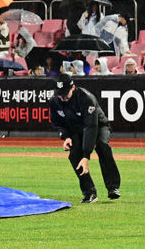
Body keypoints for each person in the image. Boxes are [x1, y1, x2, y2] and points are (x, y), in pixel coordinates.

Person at [48, 74, 121, 203]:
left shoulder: (86, 99)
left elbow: (91, 127)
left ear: (73, 88)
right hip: (77, 129)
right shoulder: (55, 101)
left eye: (65, 94)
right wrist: (66, 137)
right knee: (74, 156)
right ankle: (89, 193)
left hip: (98, 126)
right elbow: (58, 123)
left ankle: (113, 187)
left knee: (102, 145)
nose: (62, 98)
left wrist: (86, 155)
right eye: (59, 94)